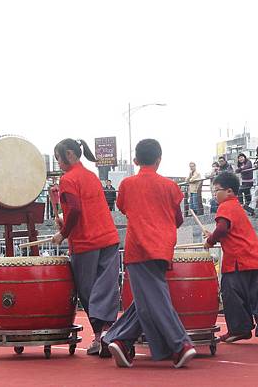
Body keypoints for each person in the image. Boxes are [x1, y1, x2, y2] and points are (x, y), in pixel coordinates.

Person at [104, 139, 196, 369]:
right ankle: (121, 340)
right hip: (163, 246)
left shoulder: (127, 184)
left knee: (151, 297)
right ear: (159, 159)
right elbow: (178, 218)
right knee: (150, 297)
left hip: (137, 248)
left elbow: (124, 208)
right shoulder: (171, 186)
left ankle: (179, 344)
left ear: (135, 160)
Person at [51, 138, 120, 357]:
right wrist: (65, 224)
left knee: (89, 291)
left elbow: (76, 210)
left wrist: (63, 233)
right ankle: (109, 334)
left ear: (70, 155)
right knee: (107, 288)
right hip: (108, 237)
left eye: (59, 159)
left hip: (85, 242)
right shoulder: (91, 177)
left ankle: (101, 336)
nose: (59, 164)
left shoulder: (68, 179)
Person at [204, 171, 258, 343]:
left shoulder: (225, 207)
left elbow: (222, 229)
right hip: (253, 256)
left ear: (229, 191)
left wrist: (210, 240)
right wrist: (213, 235)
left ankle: (240, 328)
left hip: (238, 260)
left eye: (217, 190)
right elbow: (228, 231)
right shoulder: (236, 207)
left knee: (231, 293)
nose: (214, 194)